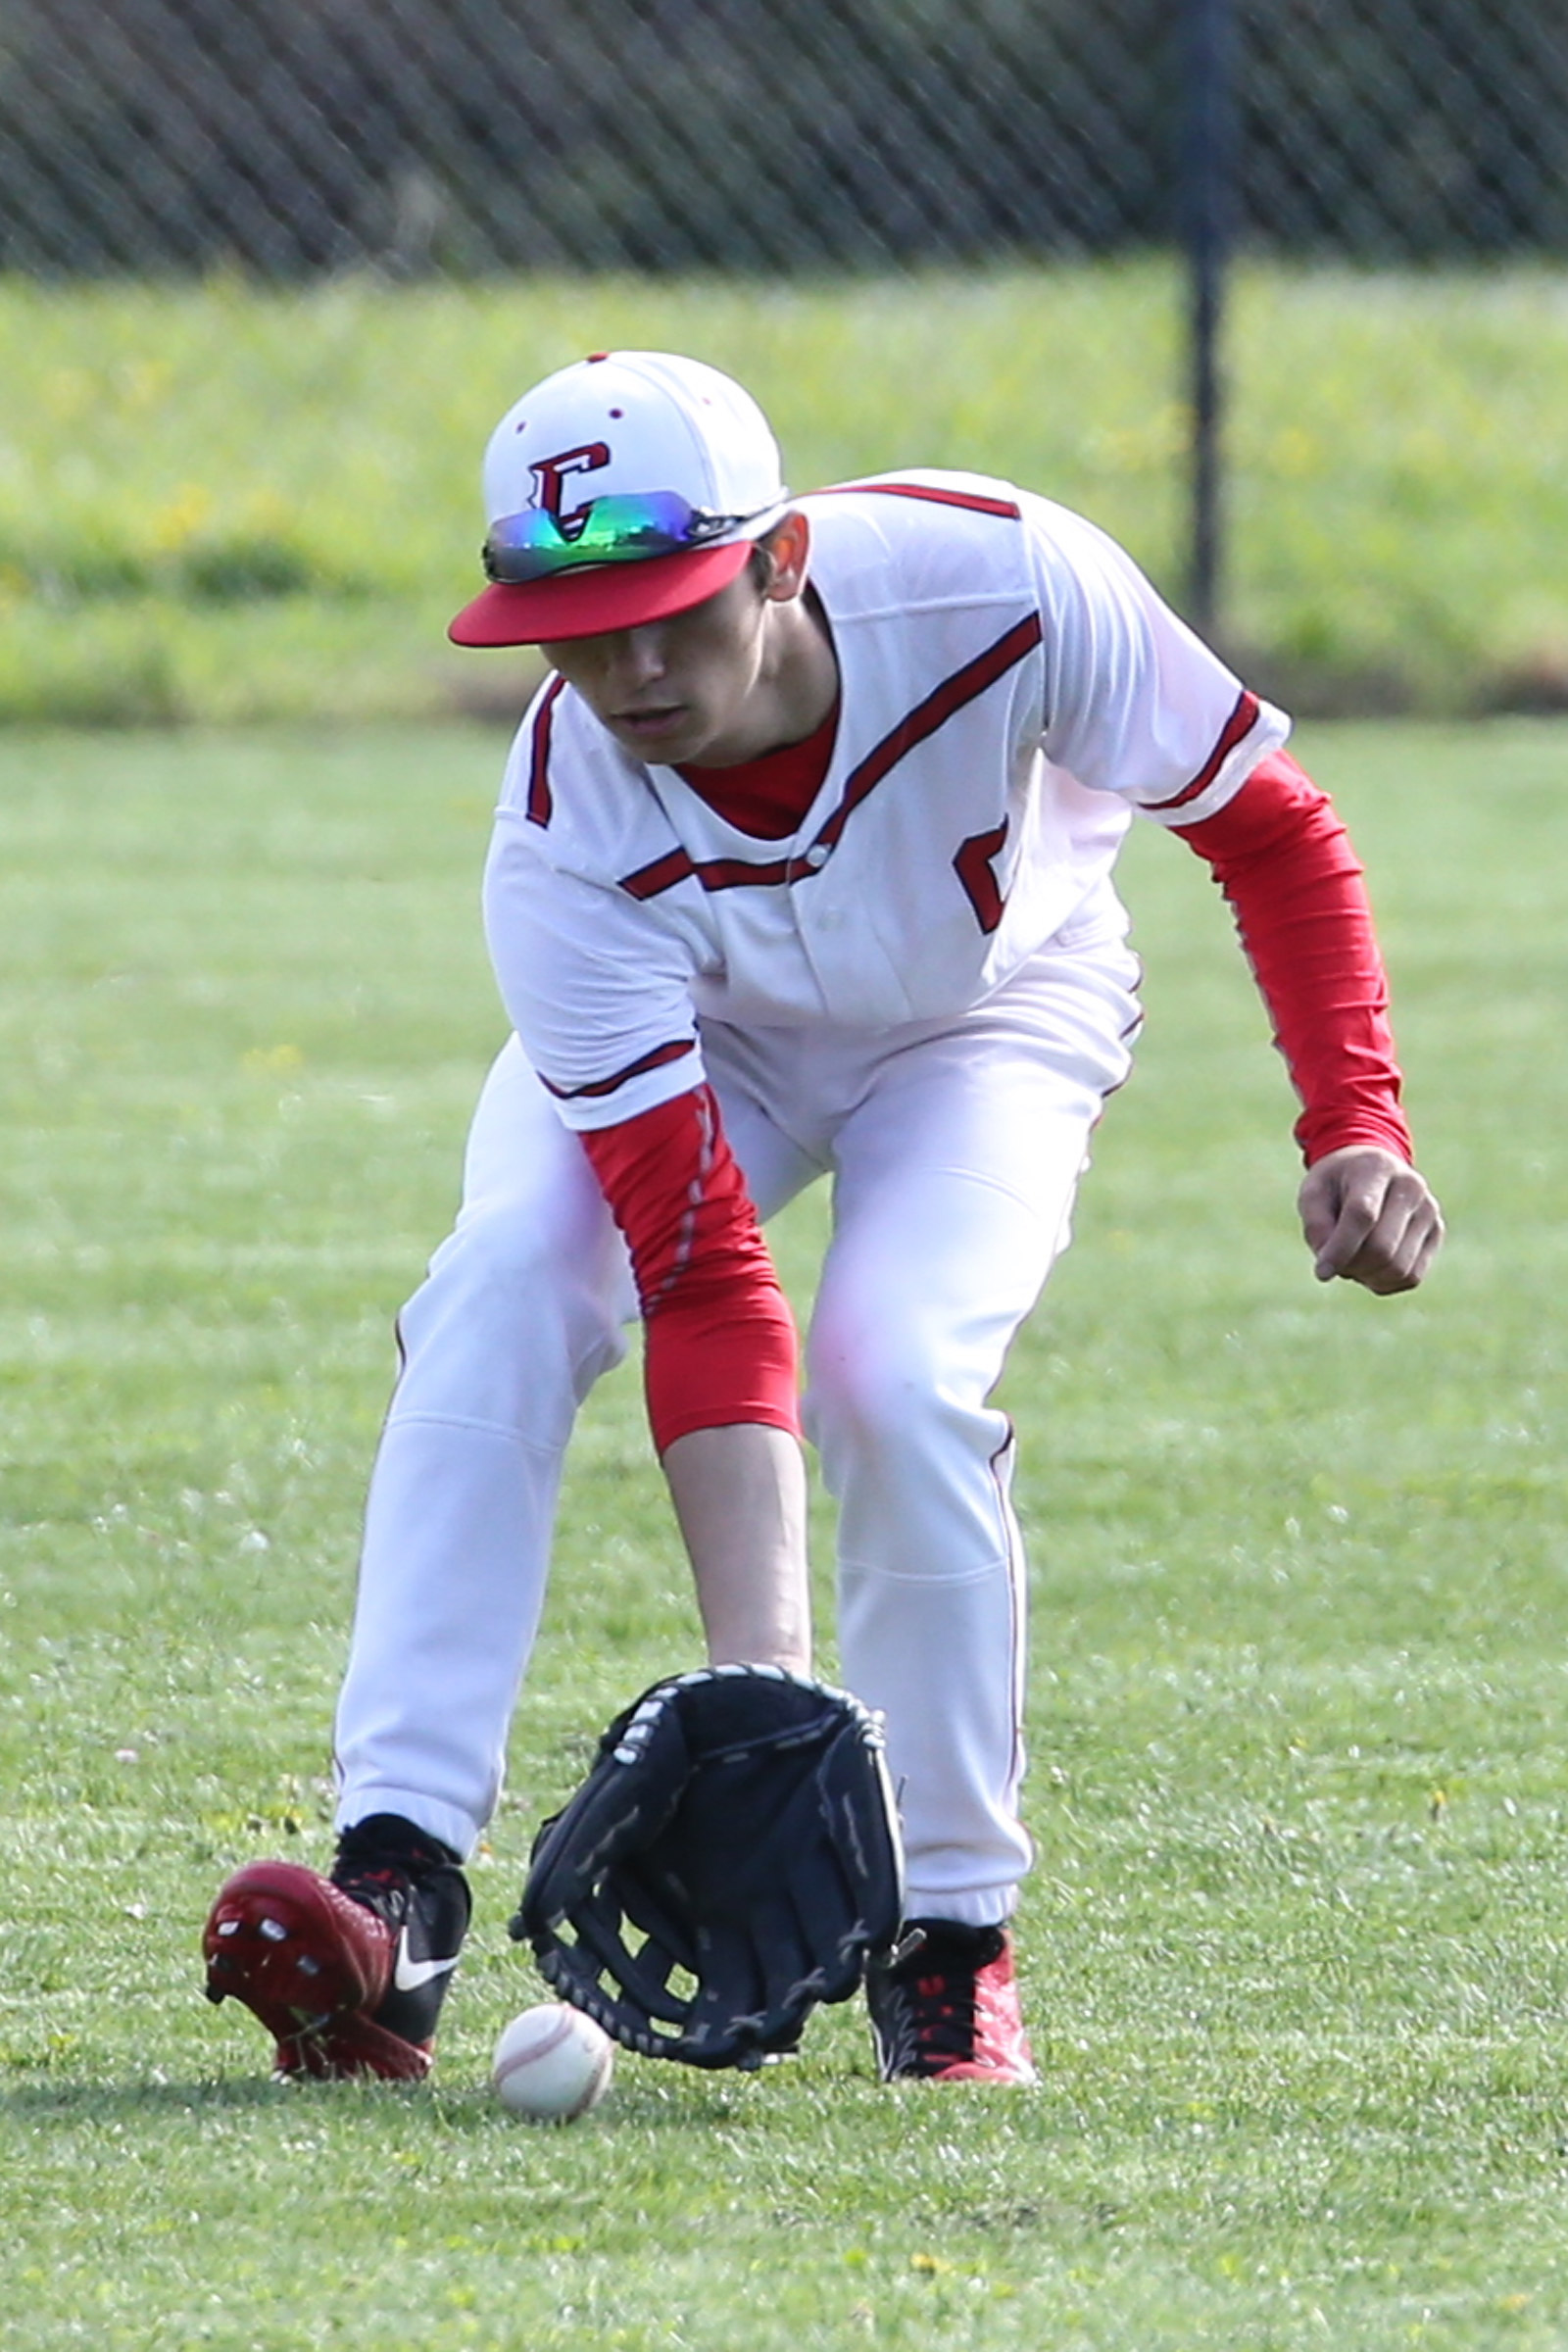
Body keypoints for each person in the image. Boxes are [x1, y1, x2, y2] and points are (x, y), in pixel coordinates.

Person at [202, 350, 1444, 2086]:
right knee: (501, 1286)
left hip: (988, 1017)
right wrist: (764, 1697)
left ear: (779, 557)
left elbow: (1270, 829)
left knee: (897, 1375)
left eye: (670, 612)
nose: (630, 670)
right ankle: (396, 1893)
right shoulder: (562, 832)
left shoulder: (1003, 582)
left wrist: (1354, 1119)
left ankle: (950, 1940)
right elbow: (702, 1271)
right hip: (708, 1029)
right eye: (579, 629)